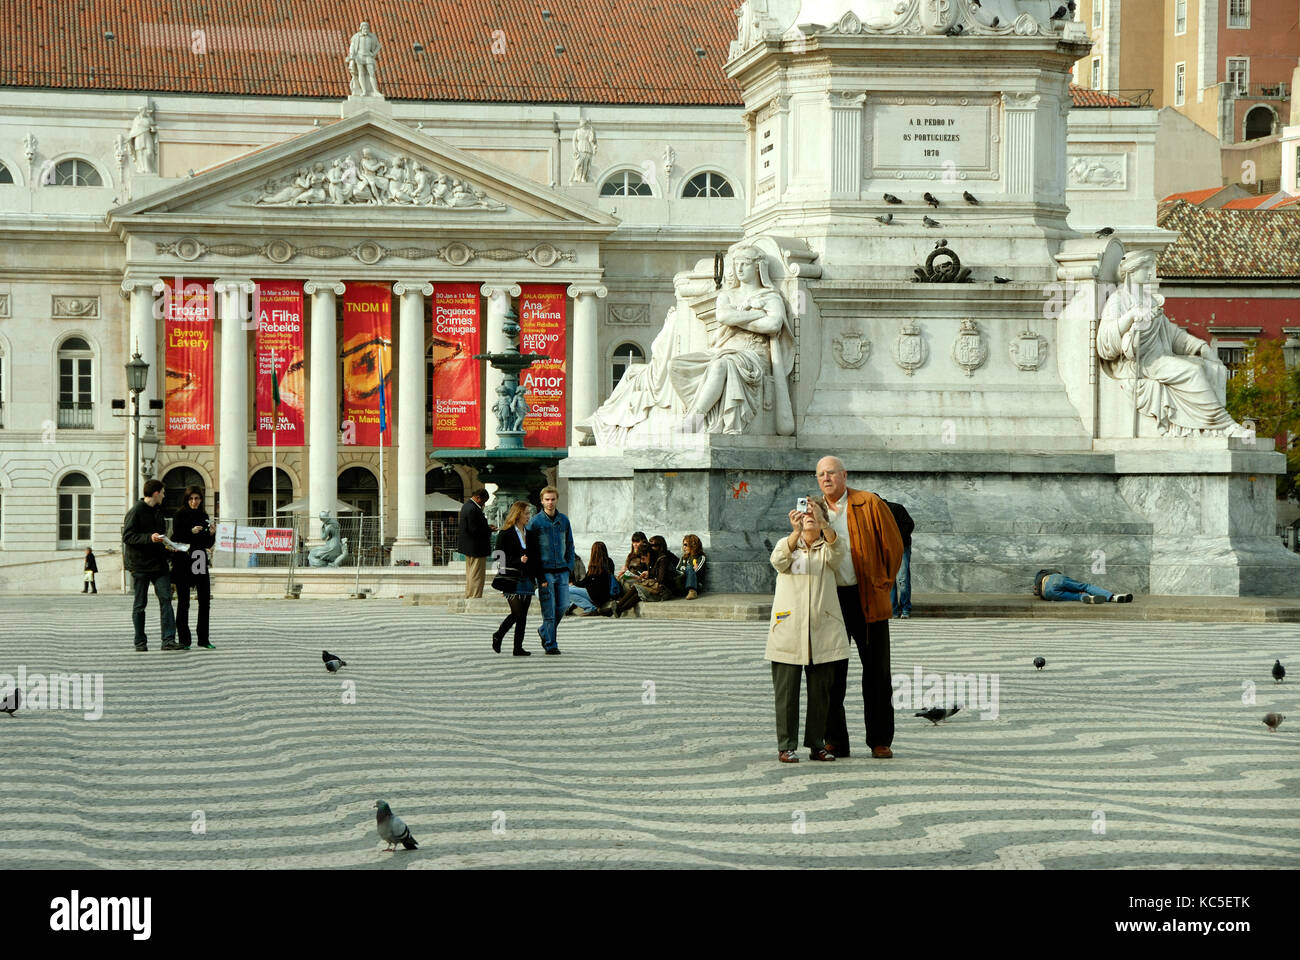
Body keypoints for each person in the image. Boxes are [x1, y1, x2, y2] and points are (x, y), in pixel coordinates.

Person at [1097, 249, 1247, 438]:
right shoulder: (1118, 300)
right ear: (1131, 271)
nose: (1150, 273)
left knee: (1208, 367)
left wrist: (1200, 347)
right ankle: (1223, 424)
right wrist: (1130, 317)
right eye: (1146, 268)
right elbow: (1104, 342)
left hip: (1159, 357)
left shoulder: (1149, 300)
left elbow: (1173, 334)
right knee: (1191, 371)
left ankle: (1204, 428)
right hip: (1140, 363)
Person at [816, 456, 904, 759]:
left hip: (867, 596)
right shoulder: (814, 510)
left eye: (831, 473)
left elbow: (893, 546)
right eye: (821, 475)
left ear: (844, 475)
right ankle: (835, 740)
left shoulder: (868, 503)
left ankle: (880, 740)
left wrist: (883, 582)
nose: (826, 479)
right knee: (830, 673)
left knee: (877, 672)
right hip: (830, 601)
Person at [669, 245, 796, 436]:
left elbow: (773, 325)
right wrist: (755, 314)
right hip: (723, 350)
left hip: (754, 354)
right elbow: (723, 317)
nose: (739, 269)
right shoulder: (727, 295)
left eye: (745, 264)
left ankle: (694, 420)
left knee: (722, 365)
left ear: (757, 267)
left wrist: (738, 318)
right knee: (676, 365)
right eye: (736, 264)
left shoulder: (770, 296)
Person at [767, 498, 849, 763]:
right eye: (805, 511)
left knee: (820, 694)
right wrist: (795, 532)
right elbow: (778, 562)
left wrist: (824, 525)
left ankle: (816, 743)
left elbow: (838, 556)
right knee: (786, 693)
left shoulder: (830, 546)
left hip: (823, 628)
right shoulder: (787, 544)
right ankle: (786, 745)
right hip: (788, 628)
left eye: (814, 512)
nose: (808, 515)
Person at [121, 478, 179, 651]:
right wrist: (149, 538)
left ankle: (168, 640)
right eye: (162, 492)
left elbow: (160, 538)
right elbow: (128, 536)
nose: (164, 495)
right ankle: (140, 642)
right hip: (140, 566)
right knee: (140, 604)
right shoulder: (136, 511)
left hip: (159, 565)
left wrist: (171, 549)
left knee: (166, 600)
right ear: (155, 493)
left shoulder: (158, 511)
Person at [526, 487, 574, 655]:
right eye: (547, 499)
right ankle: (551, 644)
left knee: (563, 606)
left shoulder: (564, 520)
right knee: (549, 609)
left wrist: (569, 566)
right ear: (541, 501)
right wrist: (536, 573)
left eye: (553, 499)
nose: (550, 502)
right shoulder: (535, 522)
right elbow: (531, 549)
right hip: (545, 571)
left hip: (562, 570)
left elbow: (570, 544)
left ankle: (545, 631)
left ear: (557, 499)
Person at [491, 501, 540, 656]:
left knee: (523, 615)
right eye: (526, 513)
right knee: (517, 613)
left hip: (527, 579)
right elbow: (499, 557)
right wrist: (518, 560)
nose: (528, 516)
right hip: (511, 579)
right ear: (518, 514)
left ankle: (518, 647)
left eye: (528, 513)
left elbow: (536, 558)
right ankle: (498, 634)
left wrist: (540, 578)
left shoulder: (530, 534)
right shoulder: (505, 533)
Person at [171, 485, 216, 649]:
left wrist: (212, 534)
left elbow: (206, 543)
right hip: (183, 561)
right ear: (186, 499)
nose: (194, 501)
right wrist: (191, 532)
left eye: (197, 498)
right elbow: (176, 537)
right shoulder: (179, 515)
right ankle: (184, 639)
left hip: (199, 560)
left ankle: (203, 639)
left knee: (204, 601)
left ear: (201, 500)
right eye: (191, 498)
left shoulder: (204, 516)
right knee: (184, 601)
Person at [457, 488, 492, 599]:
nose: (484, 504)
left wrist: (486, 528)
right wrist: (488, 529)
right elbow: (474, 530)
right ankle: (475, 596)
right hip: (477, 547)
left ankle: (469, 594)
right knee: (477, 574)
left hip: (470, 547)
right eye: (483, 501)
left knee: (471, 572)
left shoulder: (466, 506)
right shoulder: (473, 509)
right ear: (478, 498)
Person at [567, 542, 617, 616]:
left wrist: (573, 583)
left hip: (595, 595)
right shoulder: (609, 562)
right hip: (605, 595)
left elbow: (585, 582)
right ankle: (571, 606)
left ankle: (589, 607)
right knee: (572, 588)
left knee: (566, 590)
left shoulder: (595, 565)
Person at [885, 500, 915, 619]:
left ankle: (905, 609)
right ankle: (893, 611)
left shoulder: (896, 508)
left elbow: (909, 524)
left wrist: (896, 539)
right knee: (890, 580)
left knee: (902, 579)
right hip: (886, 549)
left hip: (901, 547)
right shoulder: (873, 513)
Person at [1034, 569, 1133, 604]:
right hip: (1053, 579)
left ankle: (1087, 597)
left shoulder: (1036, 582)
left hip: (1047, 594)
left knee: (1076, 596)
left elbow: (1036, 591)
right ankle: (1112, 597)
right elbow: (1059, 575)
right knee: (1085, 586)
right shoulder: (1048, 572)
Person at [676, 534, 706, 600]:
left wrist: (687, 570)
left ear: (693, 545)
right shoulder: (683, 558)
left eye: (686, 545)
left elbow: (696, 571)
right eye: (683, 545)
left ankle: (692, 591)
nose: (684, 547)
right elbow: (677, 570)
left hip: (695, 584)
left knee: (689, 568)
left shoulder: (701, 557)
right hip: (683, 583)